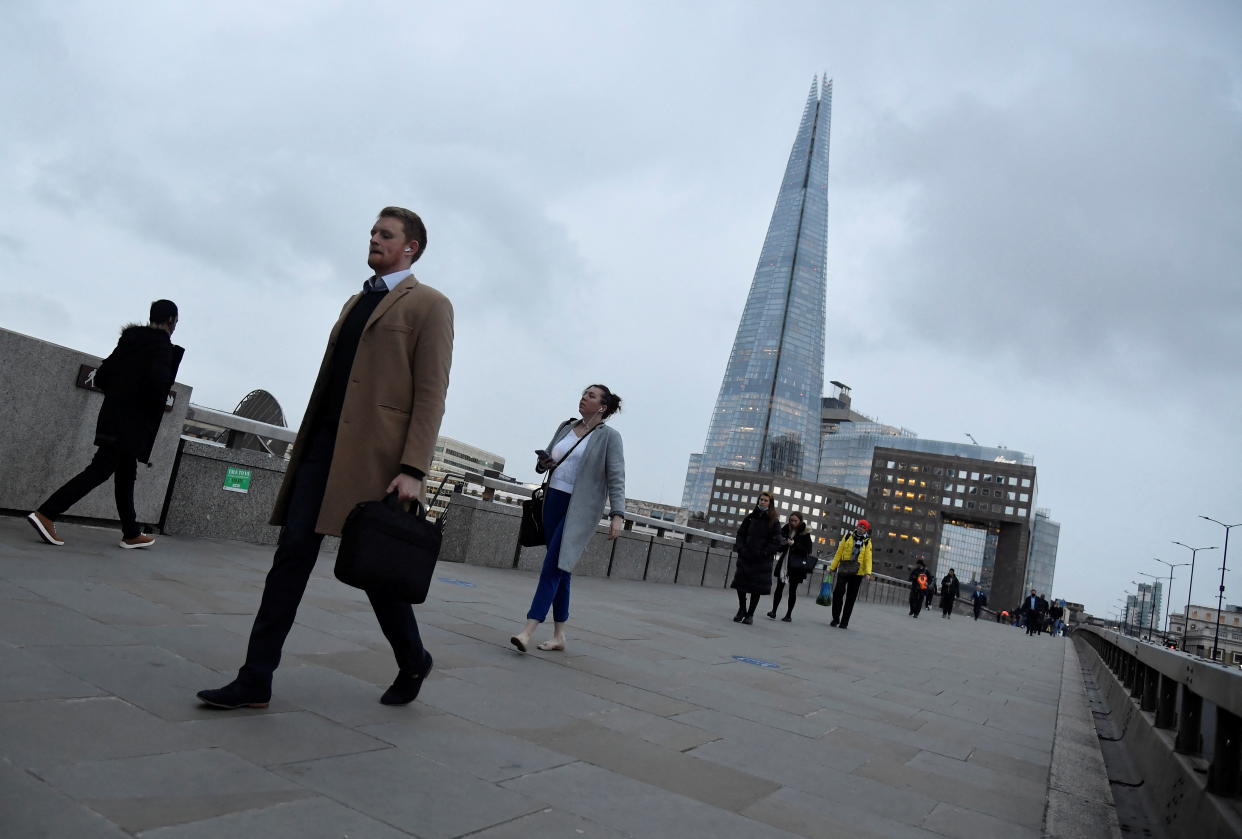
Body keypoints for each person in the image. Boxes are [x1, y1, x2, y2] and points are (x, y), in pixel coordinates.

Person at [198, 207, 453, 709]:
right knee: (290, 558)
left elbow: (431, 393)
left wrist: (413, 469)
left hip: (378, 462)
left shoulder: (429, 305)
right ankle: (255, 678)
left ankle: (412, 658)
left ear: (411, 247)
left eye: (386, 234)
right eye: (373, 232)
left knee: (378, 573)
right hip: (321, 451)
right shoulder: (356, 300)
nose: (374, 239)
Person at [28, 300, 184, 550]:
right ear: (171, 321)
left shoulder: (129, 341)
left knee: (125, 474)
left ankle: (131, 533)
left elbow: (101, 377)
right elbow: (156, 388)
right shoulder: (161, 348)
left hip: (112, 416)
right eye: (176, 321)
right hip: (132, 424)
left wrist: (120, 396)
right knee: (100, 470)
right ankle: (47, 513)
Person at [509, 385, 626, 653]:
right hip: (553, 503)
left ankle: (528, 629)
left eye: (592, 396)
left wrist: (617, 514)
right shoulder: (566, 426)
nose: (584, 397)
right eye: (584, 393)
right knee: (562, 568)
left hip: (580, 510)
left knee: (552, 566)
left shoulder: (609, 437)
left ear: (603, 407)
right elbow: (545, 463)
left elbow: (616, 477)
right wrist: (545, 463)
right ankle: (560, 635)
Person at [728, 492, 782, 625]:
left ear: (770, 503)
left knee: (756, 588)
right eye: (761, 500)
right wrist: (741, 549)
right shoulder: (750, 518)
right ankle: (742, 609)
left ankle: (750, 614)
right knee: (740, 585)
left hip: (761, 561)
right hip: (746, 557)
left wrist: (764, 553)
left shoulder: (774, 522)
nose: (763, 502)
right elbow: (740, 534)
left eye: (766, 501)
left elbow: (776, 542)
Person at [766, 512, 814, 622]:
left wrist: (794, 545)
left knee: (792, 590)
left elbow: (807, 550)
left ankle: (788, 615)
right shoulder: (785, 529)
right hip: (784, 563)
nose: (792, 522)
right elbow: (778, 545)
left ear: (800, 521)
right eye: (791, 520)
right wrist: (783, 543)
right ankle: (773, 611)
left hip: (796, 566)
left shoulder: (805, 533)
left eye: (795, 521)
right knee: (779, 588)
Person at [829, 519, 873, 629]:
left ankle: (844, 622)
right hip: (844, 569)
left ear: (866, 530)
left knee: (850, 598)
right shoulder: (848, 536)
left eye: (863, 527)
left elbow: (868, 558)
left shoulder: (867, 541)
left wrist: (868, 572)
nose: (861, 528)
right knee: (838, 593)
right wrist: (832, 567)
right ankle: (835, 618)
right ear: (857, 526)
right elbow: (839, 552)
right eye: (860, 526)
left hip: (858, 573)